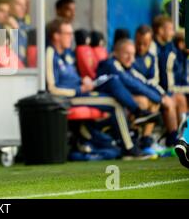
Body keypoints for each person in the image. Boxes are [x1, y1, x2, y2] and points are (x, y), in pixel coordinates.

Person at [46, 19, 152, 156]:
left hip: (82, 91)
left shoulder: (66, 54)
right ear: (56, 35)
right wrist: (79, 89)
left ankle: (124, 139)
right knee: (114, 103)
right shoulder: (50, 53)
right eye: (67, 33)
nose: (71, 37)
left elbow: (71, 78)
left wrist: (83, 80)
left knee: (112, 89)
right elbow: (52, 88)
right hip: (68, 98)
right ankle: (129, 144)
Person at [98, 38, 179, 148]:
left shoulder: (129, 68)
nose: (130, 58)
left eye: (133, 54)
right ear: (116, 52)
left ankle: (150, 141)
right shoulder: (111, 64)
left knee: (162, 101)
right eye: (127, 53)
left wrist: (162, 96)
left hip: (123, 102)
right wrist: (158, 98)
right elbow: (130, 83)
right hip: (107, 103)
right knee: (144, 101)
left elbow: (145, 82)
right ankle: (132, 139)